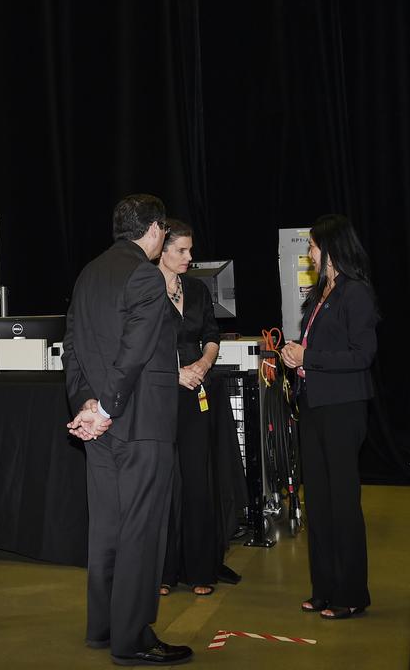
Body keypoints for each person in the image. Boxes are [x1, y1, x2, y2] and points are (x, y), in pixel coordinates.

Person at [63, 195, 193, 667]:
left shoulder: (89, 273)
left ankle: (103, 627)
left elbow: (71, 346)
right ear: (156, 230)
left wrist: (86, 405)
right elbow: (136, 351)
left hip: (100, 427)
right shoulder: (146, 275)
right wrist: (108, 408)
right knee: (141, 530)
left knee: (108, 528)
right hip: (139, 424)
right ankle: (133, 637)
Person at [280, 214, 378, 621]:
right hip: (315, 407)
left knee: (342, 503)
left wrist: (310, 358)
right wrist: (294, 357)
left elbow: (362, 355)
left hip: (343, 409)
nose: (309, 253)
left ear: (333, 249)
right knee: (317, 502)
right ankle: (324, 588)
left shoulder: (356, 294)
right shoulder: (322, 293)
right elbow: (317, 351)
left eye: (314, 246)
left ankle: (352, 592)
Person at [155, 219, 227, 597]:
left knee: (197, 481)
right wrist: (173, 374)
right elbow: (139, 348)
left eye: (189, 249)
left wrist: (203, 363)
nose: (189, 256)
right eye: (181, 250)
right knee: (164, 483)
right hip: (160, 396)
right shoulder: (145, 290)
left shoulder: (198, 289)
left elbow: (211, 335)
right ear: (162, 250)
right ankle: (164, 570)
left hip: (198, 391)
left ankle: (201, 570)